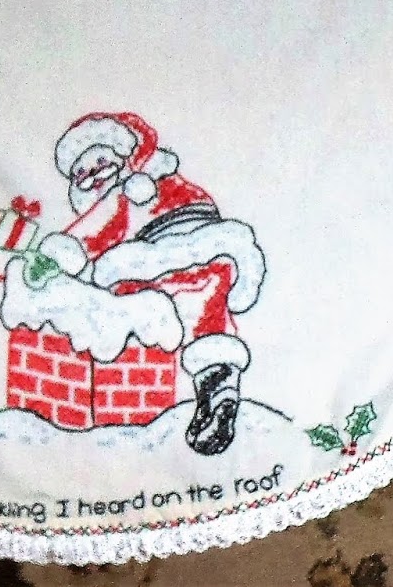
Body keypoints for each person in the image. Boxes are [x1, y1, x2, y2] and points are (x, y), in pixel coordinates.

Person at [35, 112, 266, 455]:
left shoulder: (126, 195)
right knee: (210, 320)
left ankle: (156, 387)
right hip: (218, 255)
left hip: (157, 263)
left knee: (130, 305)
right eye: (82, 174)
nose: (94, 175)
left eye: (101, 162)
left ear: (124, 156)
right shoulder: (172, 182)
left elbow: (86, 239)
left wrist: (57, 256)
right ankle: (218, 384)